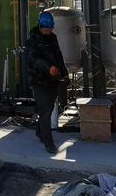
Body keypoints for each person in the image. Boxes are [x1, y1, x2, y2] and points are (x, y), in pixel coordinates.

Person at [25, 10, 69, 154]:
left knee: (48, 107)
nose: (49, 31)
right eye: (47, 28)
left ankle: (40, 131)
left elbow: (59, 56)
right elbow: (34, 60)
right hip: (38, 81)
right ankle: (49, 143)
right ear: (40, 26)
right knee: (46, 110)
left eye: (51, 28)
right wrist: (48, 68)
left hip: (52, 80)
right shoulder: (32, 42)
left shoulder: (53, 39)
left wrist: (65, 74)